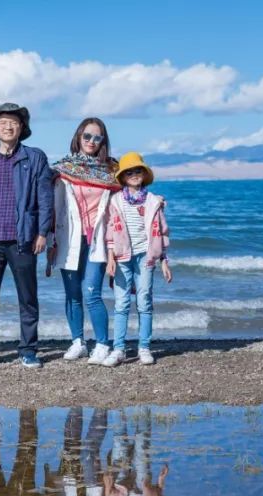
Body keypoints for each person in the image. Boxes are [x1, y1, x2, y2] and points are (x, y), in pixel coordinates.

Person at [0, 103, 54, 369]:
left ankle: (28, 350)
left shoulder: (34, 157)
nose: (8, 126)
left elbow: (45, 197)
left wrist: (43, 232)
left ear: (22, 128)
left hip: (24, 238)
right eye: (3, 122)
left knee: (27, 296)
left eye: (13, 122)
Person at [51, 118, 119, 365]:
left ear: (103, 140)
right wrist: (49, 240)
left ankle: (102, 344)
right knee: (72, 294)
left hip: (99, 240)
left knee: (92, 293)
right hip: (69, 238)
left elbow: (131, 195)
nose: (91, 141)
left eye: (97, 137)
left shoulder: (112, 170)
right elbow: (50, 204)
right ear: (78, 136)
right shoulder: (62, 169)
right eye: (87, 136)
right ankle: (78, 342)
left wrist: (155, 201)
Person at [105, 152, 173, 366]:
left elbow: (162, 233)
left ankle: (144, 347)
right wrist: (110, 258)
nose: (134, 175)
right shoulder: (115, 201)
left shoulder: (154, 202)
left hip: (146, 256)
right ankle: (119, 349)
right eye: (129, 172)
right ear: (123, 178)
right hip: (122, 256)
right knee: (121, 303)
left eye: (138, 171)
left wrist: (164, 261)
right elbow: (109, 232)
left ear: (144, 175)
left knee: (144, 301)